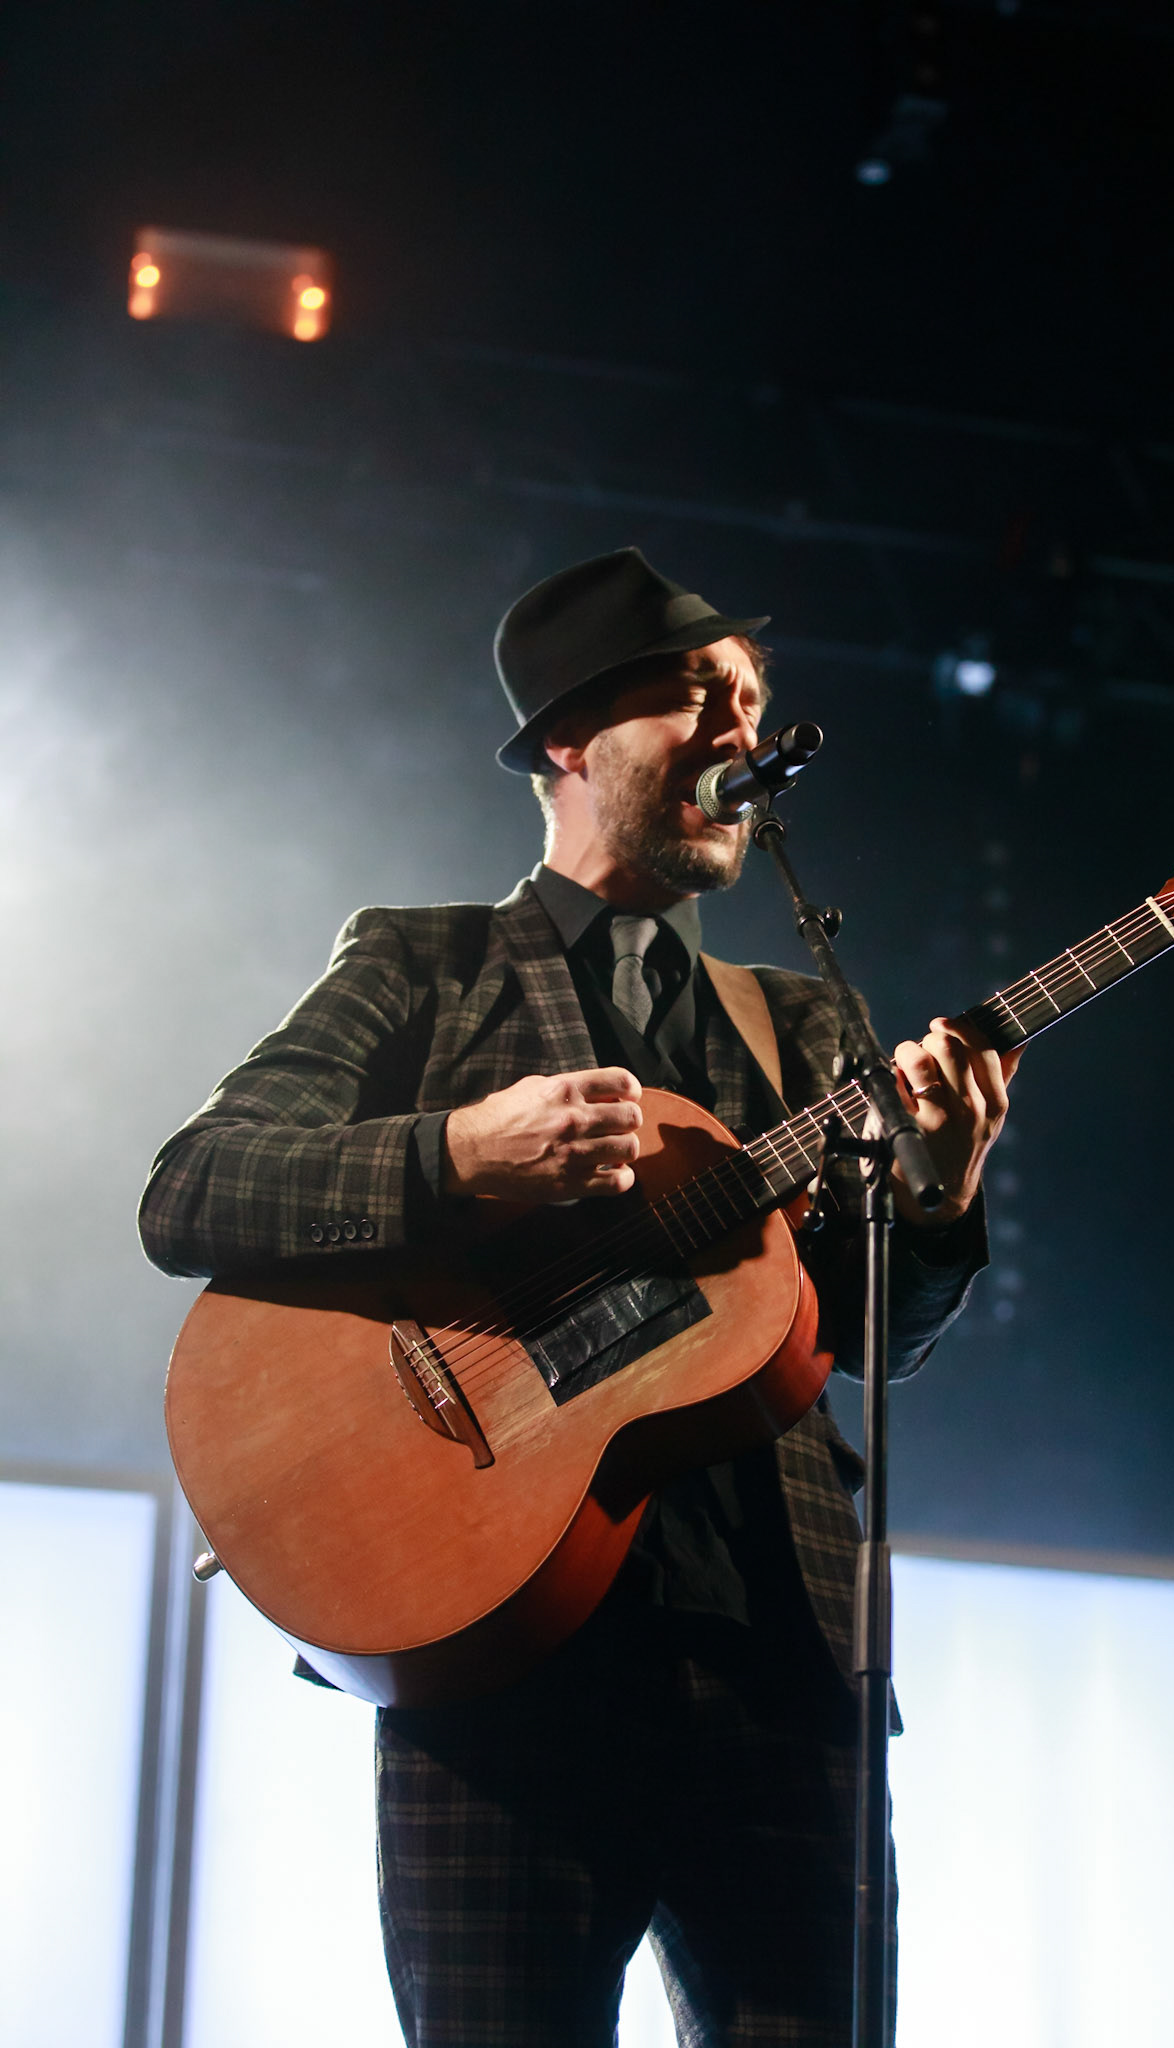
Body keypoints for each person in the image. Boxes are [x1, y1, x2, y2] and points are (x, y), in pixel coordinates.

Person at [139, 546, 1016, 2048]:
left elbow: (875, 1345)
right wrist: (458, 1152)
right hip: (496, 1671)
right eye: (696, 695)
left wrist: (933, 1203)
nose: (742, 730)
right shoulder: (424, 965)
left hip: (779, 1659)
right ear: (567, 737)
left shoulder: (803, 1019)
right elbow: (192, 1191)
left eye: (752, 700)